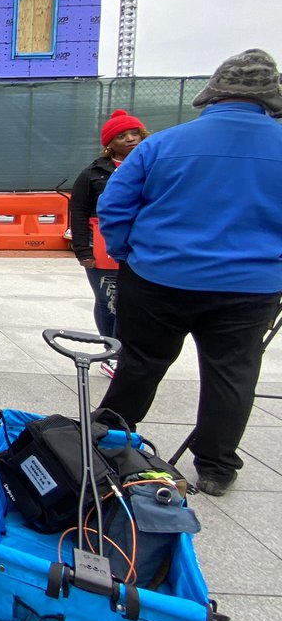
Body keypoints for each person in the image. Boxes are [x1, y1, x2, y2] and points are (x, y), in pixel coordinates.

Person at [97, 49, 282, 497]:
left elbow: (114, 206)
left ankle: (106, 442)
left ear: (213, 95)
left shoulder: (163, 144)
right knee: (233, 373)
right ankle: (217, 467)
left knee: (140, 363)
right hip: (251, 287)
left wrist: (128, 255)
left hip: (160, 276)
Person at [69, 109, 149, 378]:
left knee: (136, 301)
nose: (129, 139)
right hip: (100, 243)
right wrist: (82, 250)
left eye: (134, 133)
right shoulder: (93, 172)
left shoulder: (154, 166)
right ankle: (112, 351)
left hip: (142, 244)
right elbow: (78, 211)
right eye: (121, 136)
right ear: (109, 144)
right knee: (109, 300)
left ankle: (130, 350)